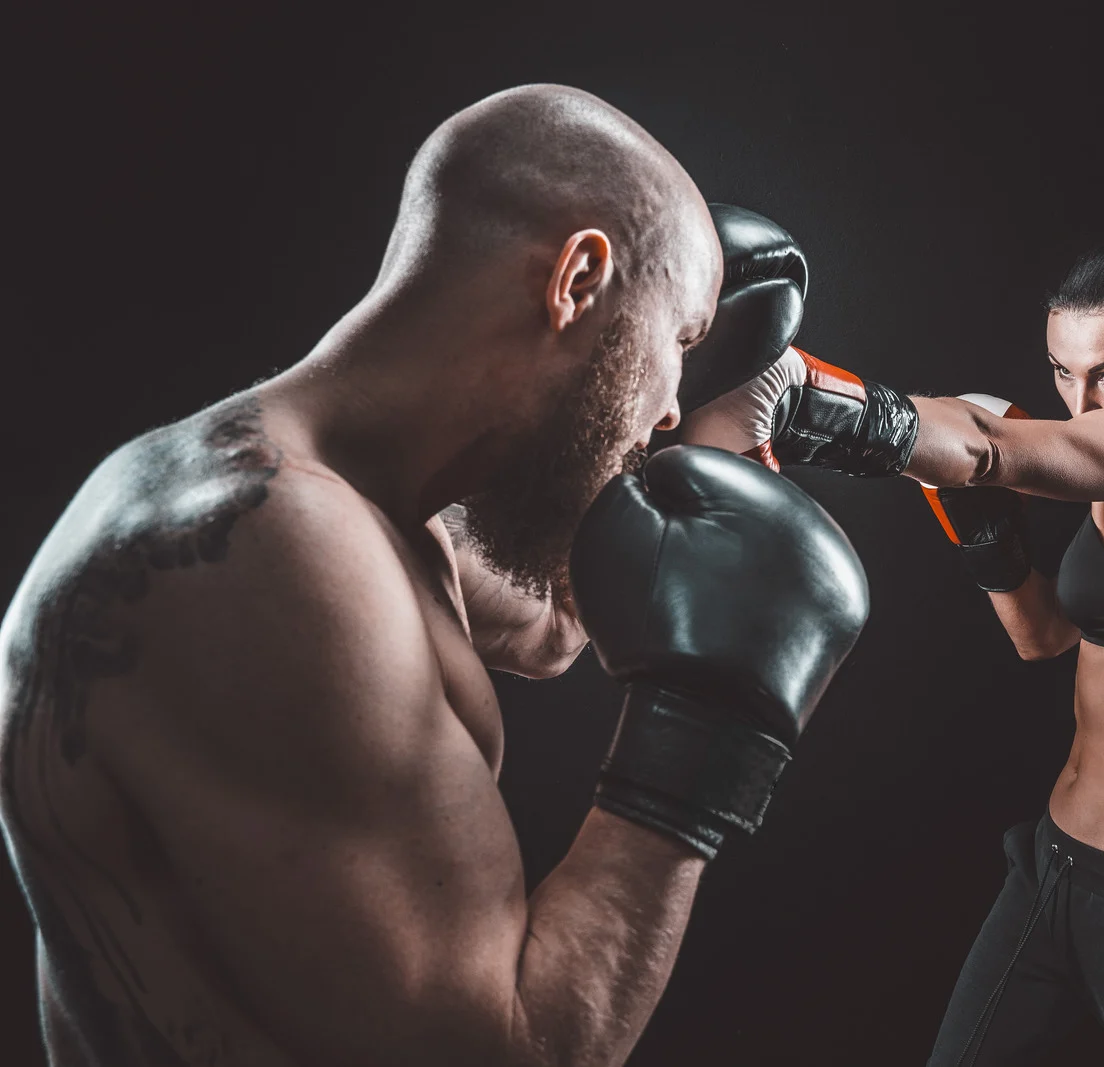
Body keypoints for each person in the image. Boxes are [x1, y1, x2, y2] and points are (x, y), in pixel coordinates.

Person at [0, 84, 866, 1067]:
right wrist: (710, 738)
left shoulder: (368, 513)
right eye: (678, 344)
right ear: (578, 280)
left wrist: (695, 402)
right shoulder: (277, 557)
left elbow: (552, 628)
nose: (669, 409)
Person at [681, 234, 1104, 1065]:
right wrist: (989, 538)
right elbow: (1042, 636)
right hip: (1055, 869)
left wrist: (799, 398)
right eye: (1063, 372)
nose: (1083, 405)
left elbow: (987, 443)